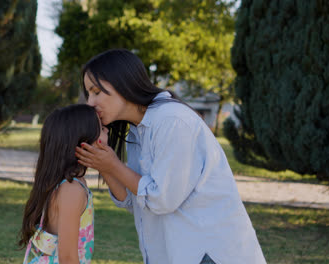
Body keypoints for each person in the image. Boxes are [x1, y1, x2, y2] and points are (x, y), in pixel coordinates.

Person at [75, 49, 267, 264]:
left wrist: (112, 165)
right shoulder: (139, 130)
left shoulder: (171, 121)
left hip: (208, 255)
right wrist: (105, 164)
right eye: (88, 94)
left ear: (121, 83)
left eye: (96, 92)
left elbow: (161, 199)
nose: (90, 103)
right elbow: (134, 200)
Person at [19, 104, 108, 264]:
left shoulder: (74, 184)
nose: (107, 130)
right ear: (83, 142)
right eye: (101, 128)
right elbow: (67, 258)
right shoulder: (71, 189)